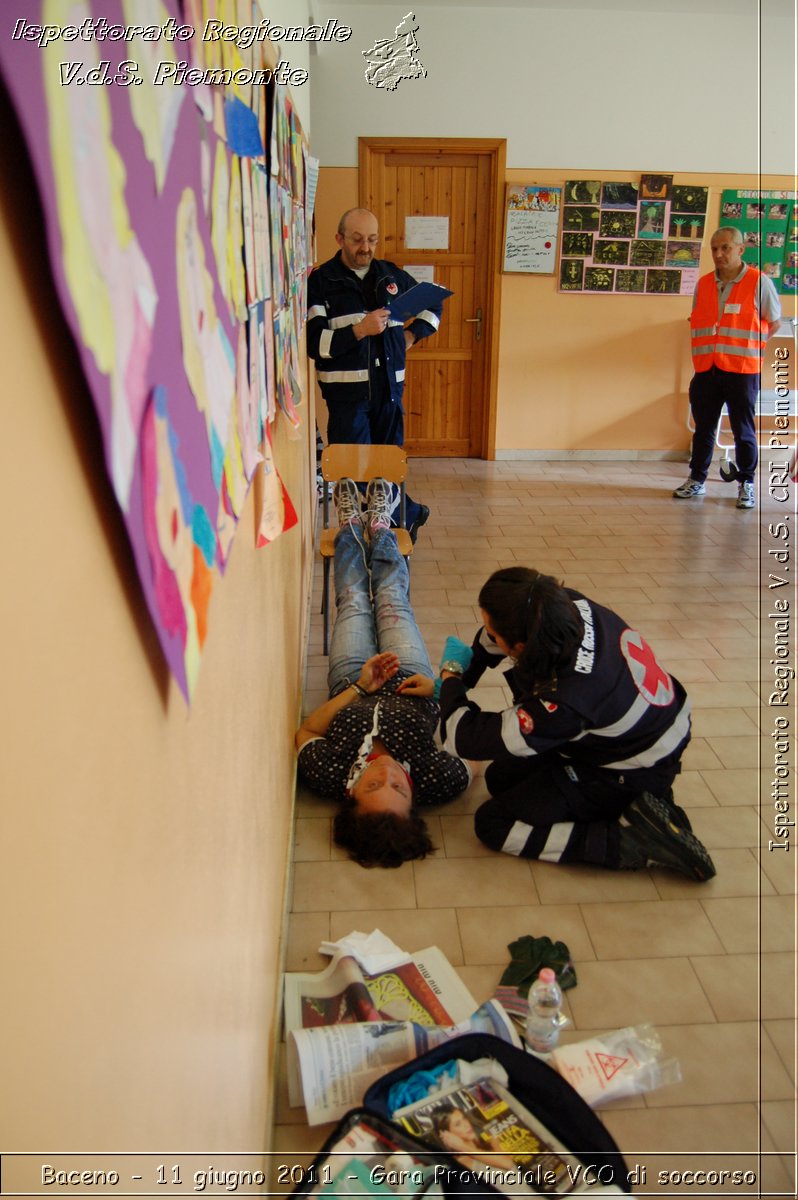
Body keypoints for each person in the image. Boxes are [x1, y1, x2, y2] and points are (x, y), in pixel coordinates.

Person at [417, 567, 716, 881]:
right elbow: (491, 640)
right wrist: (457, 680)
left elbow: (462, 737)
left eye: (495, 631)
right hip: (649, 727)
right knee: (501, 777)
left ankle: (626, 842)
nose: (489, 634)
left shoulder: (564, 700)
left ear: (520, 646)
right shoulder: (560, 605)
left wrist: (449, 678)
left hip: (634, 767)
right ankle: (641, 809)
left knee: (493, 823)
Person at [295, 477, 470, 868]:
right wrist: (439, 690)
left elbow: (306, 732)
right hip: (409, 672)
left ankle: (351, 528)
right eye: (399, 788)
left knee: (354, 601)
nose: (388, 772)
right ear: (414, 802)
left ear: (351, 795)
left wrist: (360, 686)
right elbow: (472, 741)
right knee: (392, 598)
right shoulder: (439, 780)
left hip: (351, 679)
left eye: (373, 785)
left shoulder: (327, 774)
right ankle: (379, 526)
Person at [306, 207, 443, 540]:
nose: (365, 248)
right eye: (356, 240)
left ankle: (391, 533)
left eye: (371, 240)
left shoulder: (391, 276)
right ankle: (397, 519)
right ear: (339, 239)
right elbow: (316, 343)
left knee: (387, 470)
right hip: (346, 398)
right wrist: (359, 330)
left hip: (389, 393)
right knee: (356, 471)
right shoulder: (322, 281)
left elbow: (433, 303)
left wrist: (412, 335)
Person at [674, 226, 782, 509]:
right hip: (707, 369)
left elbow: (774, 322)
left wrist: (752, 346)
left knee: (743, 429)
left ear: (740, 249)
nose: (719, 254)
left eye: (725, 248)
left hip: (743, 370)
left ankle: (746, 483)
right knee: (704, 429)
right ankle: (697, 479)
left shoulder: (759, 283)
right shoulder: (705, 283)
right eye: (714, 249)